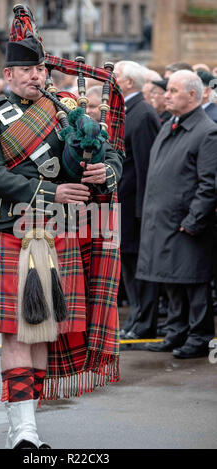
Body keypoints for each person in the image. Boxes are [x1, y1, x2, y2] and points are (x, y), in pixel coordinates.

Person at [0, 5, 123, 450]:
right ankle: (23, 431)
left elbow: (112, 156)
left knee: (43, 330)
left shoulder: (69, 111)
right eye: (26, 70)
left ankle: (26, 424)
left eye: (40, 68)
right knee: (17, 329)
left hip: (60, 234)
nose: (36, 76)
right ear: (9, 74)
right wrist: (53, 192)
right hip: (10, 229)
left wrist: (103, 174)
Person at [136, 70, 217, 358]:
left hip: (186, 225)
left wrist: (193, 222)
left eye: (173, 90)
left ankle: (199, 336)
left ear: (192, 95)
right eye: (167, 90)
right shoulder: (171, 124)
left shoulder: (206, 132)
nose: (166, 95)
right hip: (165, 221)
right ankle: (176, 331)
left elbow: (209, 185)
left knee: (193, 285)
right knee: (171, 281)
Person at [114, 60, 161, 340]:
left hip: (135, 208)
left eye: (116, 75)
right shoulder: (128, 110)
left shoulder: (142, 113)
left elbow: (145, 168)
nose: (111, 79)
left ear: (129, 82)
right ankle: (136, 318)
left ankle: (145, 321)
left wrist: (143, 211)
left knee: (137, 266)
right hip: (125, 204)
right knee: (128, 266)